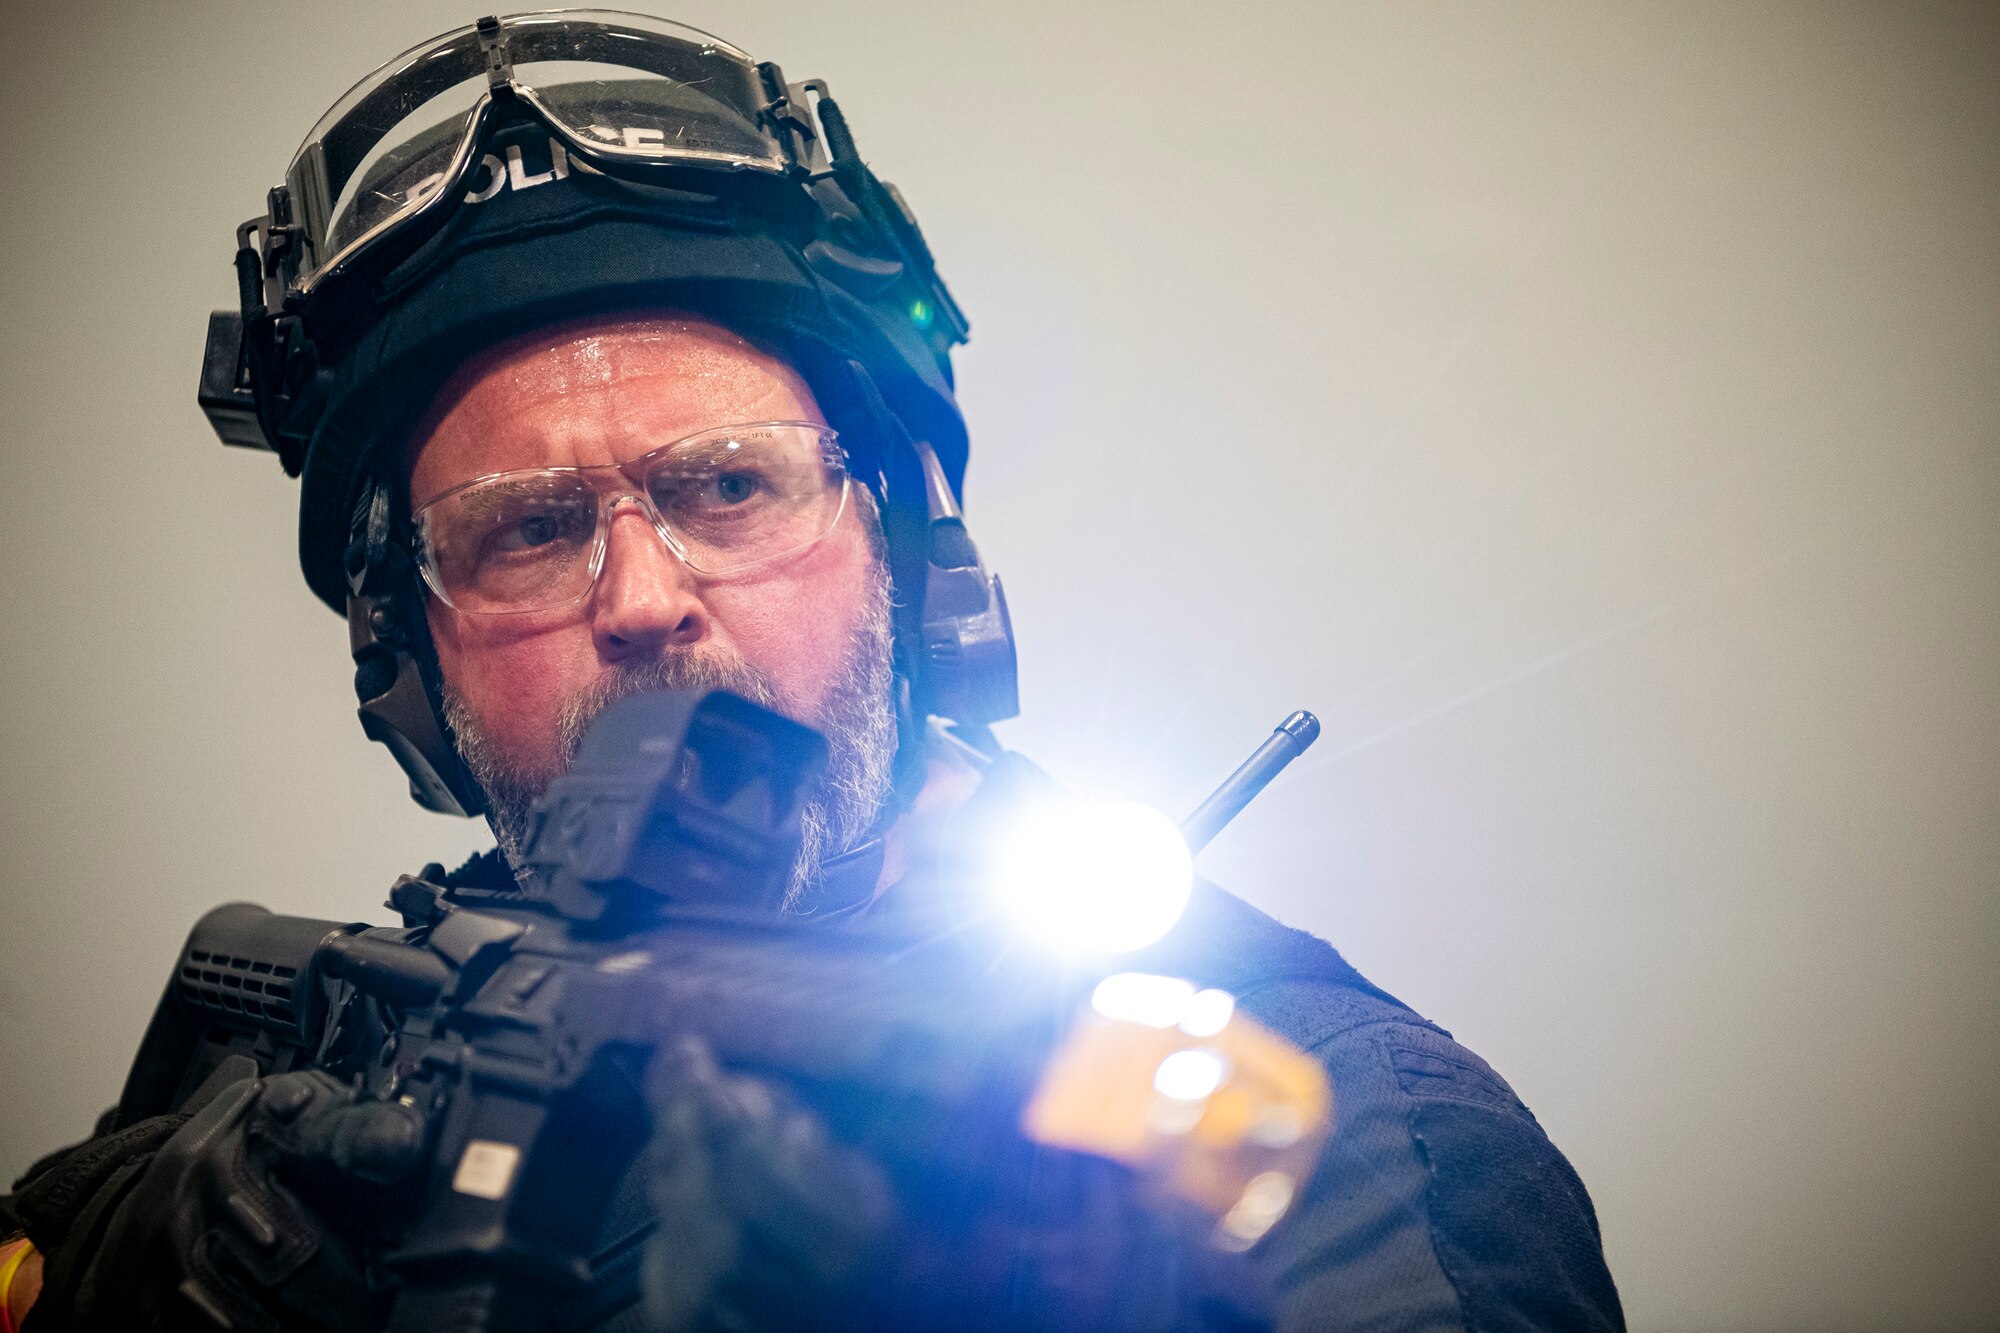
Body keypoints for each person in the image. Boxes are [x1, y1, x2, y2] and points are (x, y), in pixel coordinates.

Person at [1, 13, 1622, 1331]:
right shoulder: (311, 1105)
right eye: (527, 529)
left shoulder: (1308, 1139)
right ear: (407, 656)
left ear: (911, 549)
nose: (642, 597)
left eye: (727, 488)